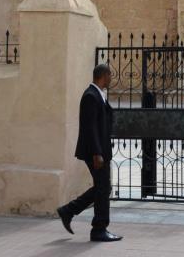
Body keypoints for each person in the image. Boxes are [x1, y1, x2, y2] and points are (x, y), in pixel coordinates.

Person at [56, 64, 122, 242]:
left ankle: (68, 210)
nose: (111, 79)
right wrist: (97, 153)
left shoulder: (97, 94)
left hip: (99, 150)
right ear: (103, 75)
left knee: (103, 187)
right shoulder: (90, 96)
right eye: (110, 75)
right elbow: (90, 126)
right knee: (103, 188)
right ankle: (99, 229)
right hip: (96, 152)